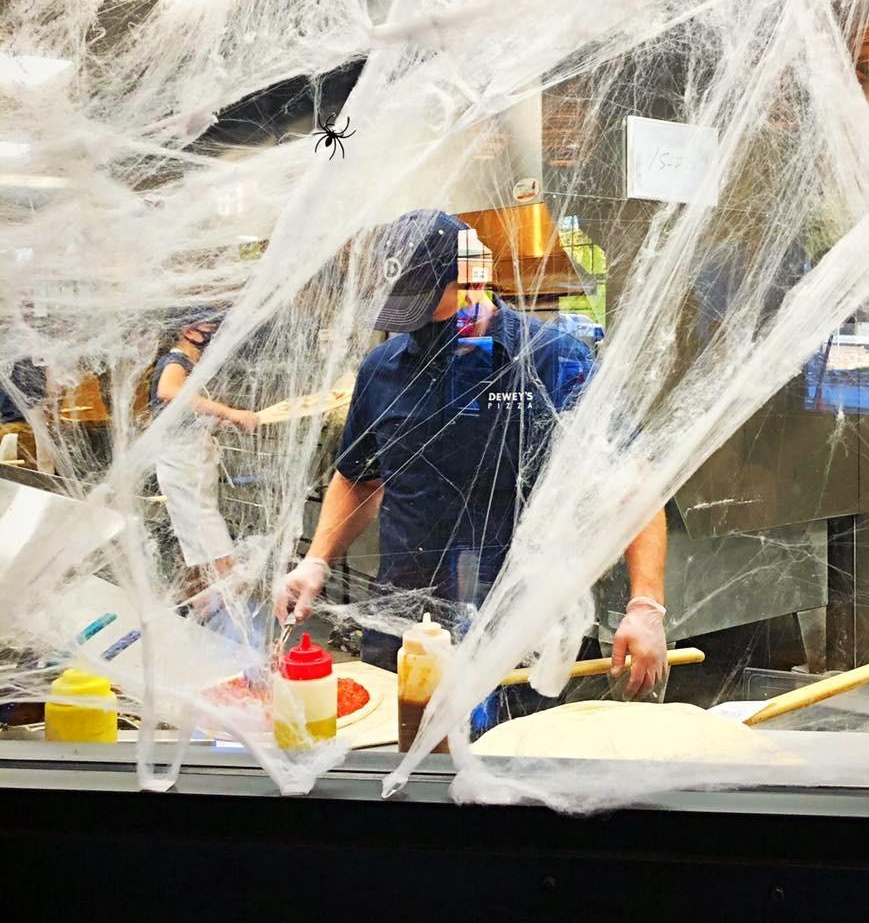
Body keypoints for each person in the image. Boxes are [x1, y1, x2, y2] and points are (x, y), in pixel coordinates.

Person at [277, 209, 668, 697]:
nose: (416, 321)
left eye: (426, 302)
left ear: (473, 278)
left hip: (515, 629)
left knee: (506, 741)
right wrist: (316, 561)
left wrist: (645, 606)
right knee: (395, 737)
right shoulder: (382, 369)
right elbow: (359, 477)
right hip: (403, 624)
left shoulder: (553, 359)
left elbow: (632, 483)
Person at [151, 309, 259, 591]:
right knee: (202, 522)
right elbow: (168, 391)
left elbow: (183, 413)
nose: (214, 334)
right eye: (209, 328)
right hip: (181, 460)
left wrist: (219, 421)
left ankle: (200, 596)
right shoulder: (176, 361)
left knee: (196, 529)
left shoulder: (190, 366)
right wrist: (229, 412)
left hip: (193, 458)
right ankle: (227, 583)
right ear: (189, 331)